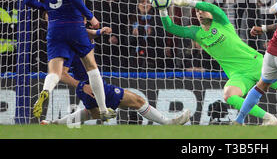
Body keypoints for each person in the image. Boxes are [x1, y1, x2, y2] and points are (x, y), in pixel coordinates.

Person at [156, 0, 277, 125]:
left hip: (256, 64)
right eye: (197, 12)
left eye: (202, 10)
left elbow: (211, 7)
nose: (200, 13)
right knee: (229, 95)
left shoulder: (221, 22)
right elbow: (170, 27)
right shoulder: (196, 33)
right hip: (238, 74)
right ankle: (269, 118)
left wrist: (189, 2)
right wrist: (162, 9)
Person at [24, 0, 115, 121]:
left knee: (55, 71)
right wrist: (91, 17)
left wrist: (46, 7)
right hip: (74, 25)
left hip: (54, 27)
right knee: (92, 67)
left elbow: (28, 0)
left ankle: (45, 90)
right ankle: (104, 109)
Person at [40, 26, 190, 126]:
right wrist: (82, 86)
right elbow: (61, 74)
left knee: (91, 113)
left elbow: (87, 32)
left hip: (92, 85)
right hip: (90, 86)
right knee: (137, 101)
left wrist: (99, 32)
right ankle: (169, 123)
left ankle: (53, 125)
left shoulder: (79, 36)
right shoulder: (71, 47)